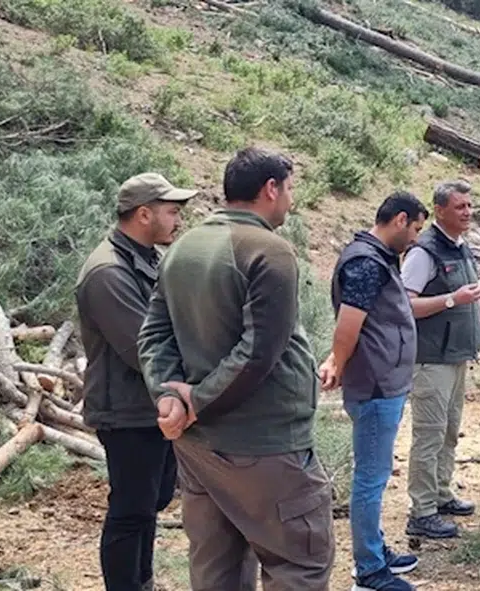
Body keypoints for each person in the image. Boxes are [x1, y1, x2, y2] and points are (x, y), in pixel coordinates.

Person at [138, 147, 333, 590]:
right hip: (266, 446)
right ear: (270, 189)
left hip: (198, 448)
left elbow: (154, 333)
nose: (291, 201)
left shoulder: (183, 248)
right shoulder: (270, 251)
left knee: (216, 570)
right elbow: (259, 351)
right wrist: (196, 402)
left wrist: (169, 397)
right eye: (289, 189)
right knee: (298, 567)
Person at [76, 172, 194, 591]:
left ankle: (142, 581)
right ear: (144, 214)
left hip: (149, 406)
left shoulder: (142, 258)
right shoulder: (108, 272)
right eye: (172, 211)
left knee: (150, 502)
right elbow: (143, 348)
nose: (179, 220)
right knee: (130, 511)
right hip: (126, 411)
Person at [319, 192, 429, 591]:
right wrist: (337, 361)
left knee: (376, 475)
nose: (416, 238)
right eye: (415, 229)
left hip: (386, 384)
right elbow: (349, 325)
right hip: (375, 387)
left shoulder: (378, 258)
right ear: (399, 220)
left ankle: (376, 549)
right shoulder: (366, 263)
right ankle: (369, 569)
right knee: (370, 478)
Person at [401, 179, 480, 540]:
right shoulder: (424, 252)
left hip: (456, 357)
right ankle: (421, 512)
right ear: (439, 210)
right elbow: (405, 304)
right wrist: (452, 299)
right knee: (429, 435)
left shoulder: (460, 246)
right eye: (460, 206)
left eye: (469, 206)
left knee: (449, 431)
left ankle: (441, 494)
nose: (467, 212)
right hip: (431, 360)